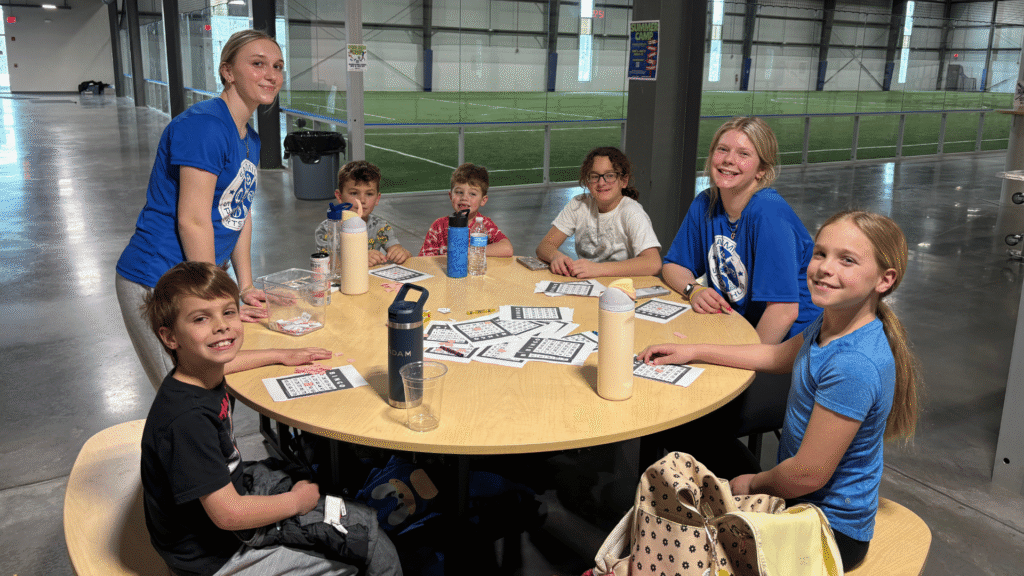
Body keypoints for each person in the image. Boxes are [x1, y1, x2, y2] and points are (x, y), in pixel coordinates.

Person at [640, 211, 920, 570]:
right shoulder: (832, 322)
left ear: (885, 279)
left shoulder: (853, 364)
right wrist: (693, 351)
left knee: (686, 547)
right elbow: (776, 355)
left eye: (847, 260)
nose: (825, 268)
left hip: (826, 529)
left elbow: (807, 474)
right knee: (690, 431)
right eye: (820, 254)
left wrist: (752, 484)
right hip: (799, 498)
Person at [141, 261, 402, 576]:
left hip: (223, 510)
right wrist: (295, 503)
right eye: (201, 318)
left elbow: (227, 363)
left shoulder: (195, 373)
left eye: (228, 312)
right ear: (170, 338)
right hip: (217, 555)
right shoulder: (187, 420)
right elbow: (229, 514)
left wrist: (280, 354)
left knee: (316, 485)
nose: (221, 326)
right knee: (369, 548)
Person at [116, 30, 288, 389]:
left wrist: (245, 286)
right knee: (183, 391)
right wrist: (218, 301)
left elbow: (239, 212)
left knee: (213, 386)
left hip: (198, 281)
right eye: (258, 64)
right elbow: (192, 220)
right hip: (158, 278)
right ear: (228, 71)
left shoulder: (250, 138)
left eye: (277, 66)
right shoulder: (204, 126)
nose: (270, 75)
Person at [656, 117, 821, 460]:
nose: (729, 160)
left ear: (761, 170)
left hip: (789, 361)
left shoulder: (768, 214)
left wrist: (736, 360)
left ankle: (746, 484)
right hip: (744, 339)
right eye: (722, 149)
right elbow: (672, 266)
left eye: (744, 154)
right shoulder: (707, 203)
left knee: (681, 415)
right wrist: (693, 289)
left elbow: (784, 311)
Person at [535, 146, 661, 279]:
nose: (601, 183)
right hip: (588, 283)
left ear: (623, 181)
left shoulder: (632, 212)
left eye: (610, 176)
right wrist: (556, 256)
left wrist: (598, 269)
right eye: (595, 177)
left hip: (620, 285)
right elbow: (544, 246)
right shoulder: (578, 204)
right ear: (588, 183)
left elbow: (653, 263)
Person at [315, 160, 411, 266]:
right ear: (339, 196)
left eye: (369, 194)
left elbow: (397, 249)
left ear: (377, 198)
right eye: (354, 193)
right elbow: (328, 266)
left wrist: (401, 254)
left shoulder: (380, 226)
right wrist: (360, 258)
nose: (362, 200)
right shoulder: (328, 229)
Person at [419, 163, 514, 257]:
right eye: (459, 192)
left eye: (472, 194)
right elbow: (424, 260)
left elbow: (507, 249)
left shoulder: (484, 225)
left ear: (483, 200)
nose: (464, 198)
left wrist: (470, 251)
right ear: (451, 196)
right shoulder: (439, 226)